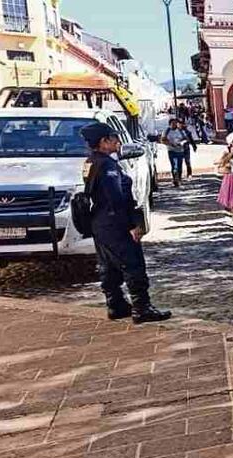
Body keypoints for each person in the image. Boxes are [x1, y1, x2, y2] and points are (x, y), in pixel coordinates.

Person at [79, 122, 171, 324]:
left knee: (108, 266)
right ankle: (142, 308)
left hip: (100, 221)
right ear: (103, 142)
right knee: (133, 264)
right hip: (114, 222)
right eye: (113, 138)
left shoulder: (91, 161)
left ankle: (116, 304)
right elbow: (116, 197)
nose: (117, 142)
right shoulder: (107, 166)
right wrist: (131, 224)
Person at [160, 118, 188, 188]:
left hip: (180, 151)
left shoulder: (180, 131)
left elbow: (186, 139)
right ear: (170, 124)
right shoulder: (166, 131)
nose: (174, 125)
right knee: (174, 166)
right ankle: (175, 180)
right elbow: (163, 140)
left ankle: (179, 179)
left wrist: (181, 143)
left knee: (179, 166)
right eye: (172, 124)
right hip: (171, 151)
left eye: (175, 123)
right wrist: (170, 144)